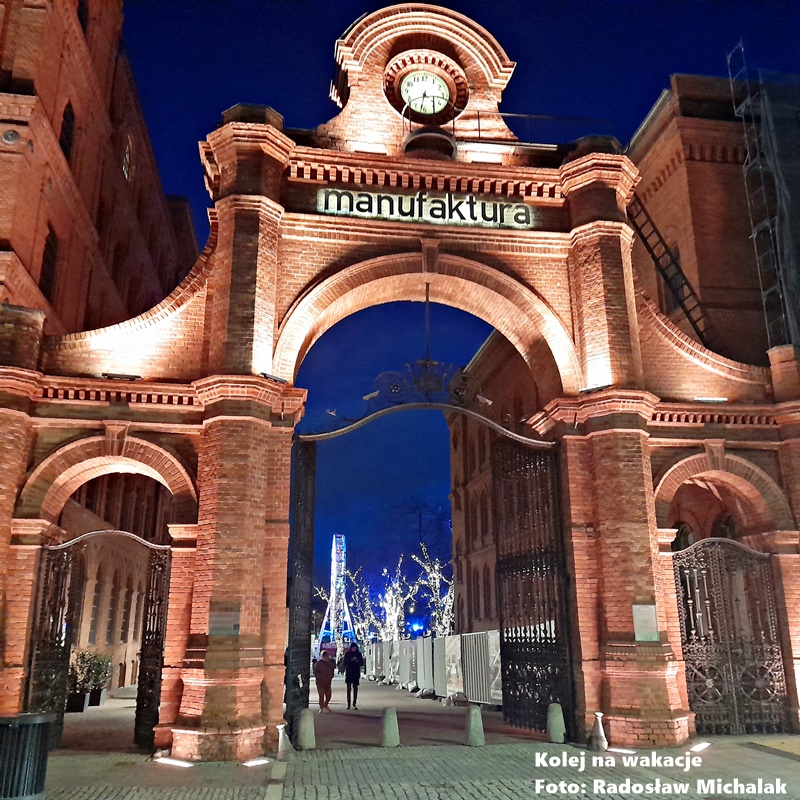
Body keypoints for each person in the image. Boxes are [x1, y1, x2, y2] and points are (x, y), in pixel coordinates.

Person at [341, 642, 364, 710]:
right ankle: (348, 703)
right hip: (349, 672)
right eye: (353, 648)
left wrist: (357, 661)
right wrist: (350, 660)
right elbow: (345, 662)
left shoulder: (358, 654)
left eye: (355, 648)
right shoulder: (347, 654)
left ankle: (354, 703)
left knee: (355, 688)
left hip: (356, 673)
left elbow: (362, 663)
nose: (354, 649)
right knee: (348, 689)